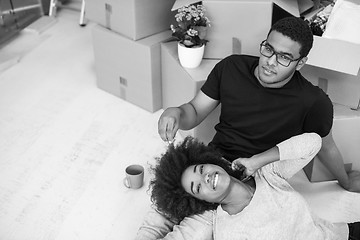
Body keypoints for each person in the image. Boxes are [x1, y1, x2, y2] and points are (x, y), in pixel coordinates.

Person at [136, 16, 360, 239]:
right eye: (268, 49)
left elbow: (325, 146)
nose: (270, 62)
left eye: (284, 58)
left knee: (195, 233)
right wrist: (175, 112)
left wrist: (346, 181)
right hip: (209, 162)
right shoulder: (232, 67)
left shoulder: (314, 101)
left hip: (257, 178)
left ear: (300, 62)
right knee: (158, 216)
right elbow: (194, 110)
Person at [148, 133, 360, 240]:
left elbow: (313, 141)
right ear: (198, 200)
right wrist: (165, 208)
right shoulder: (222, 227)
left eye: (201, 169)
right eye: (196, 188)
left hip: (342, 234)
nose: (205, 178)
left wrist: (257, 160)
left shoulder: (266, 175)